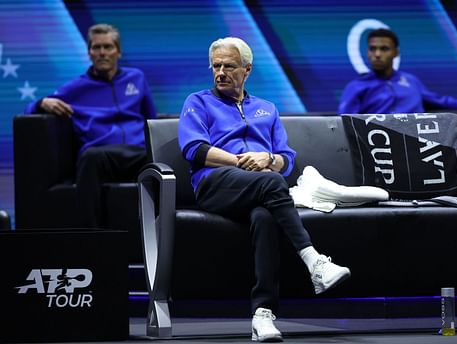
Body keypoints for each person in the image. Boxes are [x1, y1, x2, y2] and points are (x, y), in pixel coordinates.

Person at [178, 37, 351, 342]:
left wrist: (268, 157)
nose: (220, 72)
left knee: (264, 216)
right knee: (271, 184)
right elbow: (194, 149)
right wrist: (241, 161)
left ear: (247, 70)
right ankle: (314, 261)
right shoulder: (198, 102)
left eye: (228, 66)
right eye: (215, 66)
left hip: (258, 188)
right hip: (214, 184)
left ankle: (262, 315)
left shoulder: (267, 109)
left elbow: (287, 161)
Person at [25, 23, 157, 228]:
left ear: (118, 51)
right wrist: (41, 102)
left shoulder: (136, 78)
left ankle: (163, 237)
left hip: (136, 153)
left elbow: (152, 118)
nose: (102, 53)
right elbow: (29, 109)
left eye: (108, 47)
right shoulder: (77, 87)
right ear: (89, 53)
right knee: (91, 157)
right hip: (102, 155)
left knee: (166, 156)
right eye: (96, 48)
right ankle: (90, 238)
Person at [338, 28, 457, 114]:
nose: (377, 54)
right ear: (367, 52)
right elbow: (343, 125)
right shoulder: (356, 87)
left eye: (384, 49)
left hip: (418, 148)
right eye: (373, 49)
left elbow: (445, 102)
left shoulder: (412, 81)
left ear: (396, 52)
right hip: (379, 150)